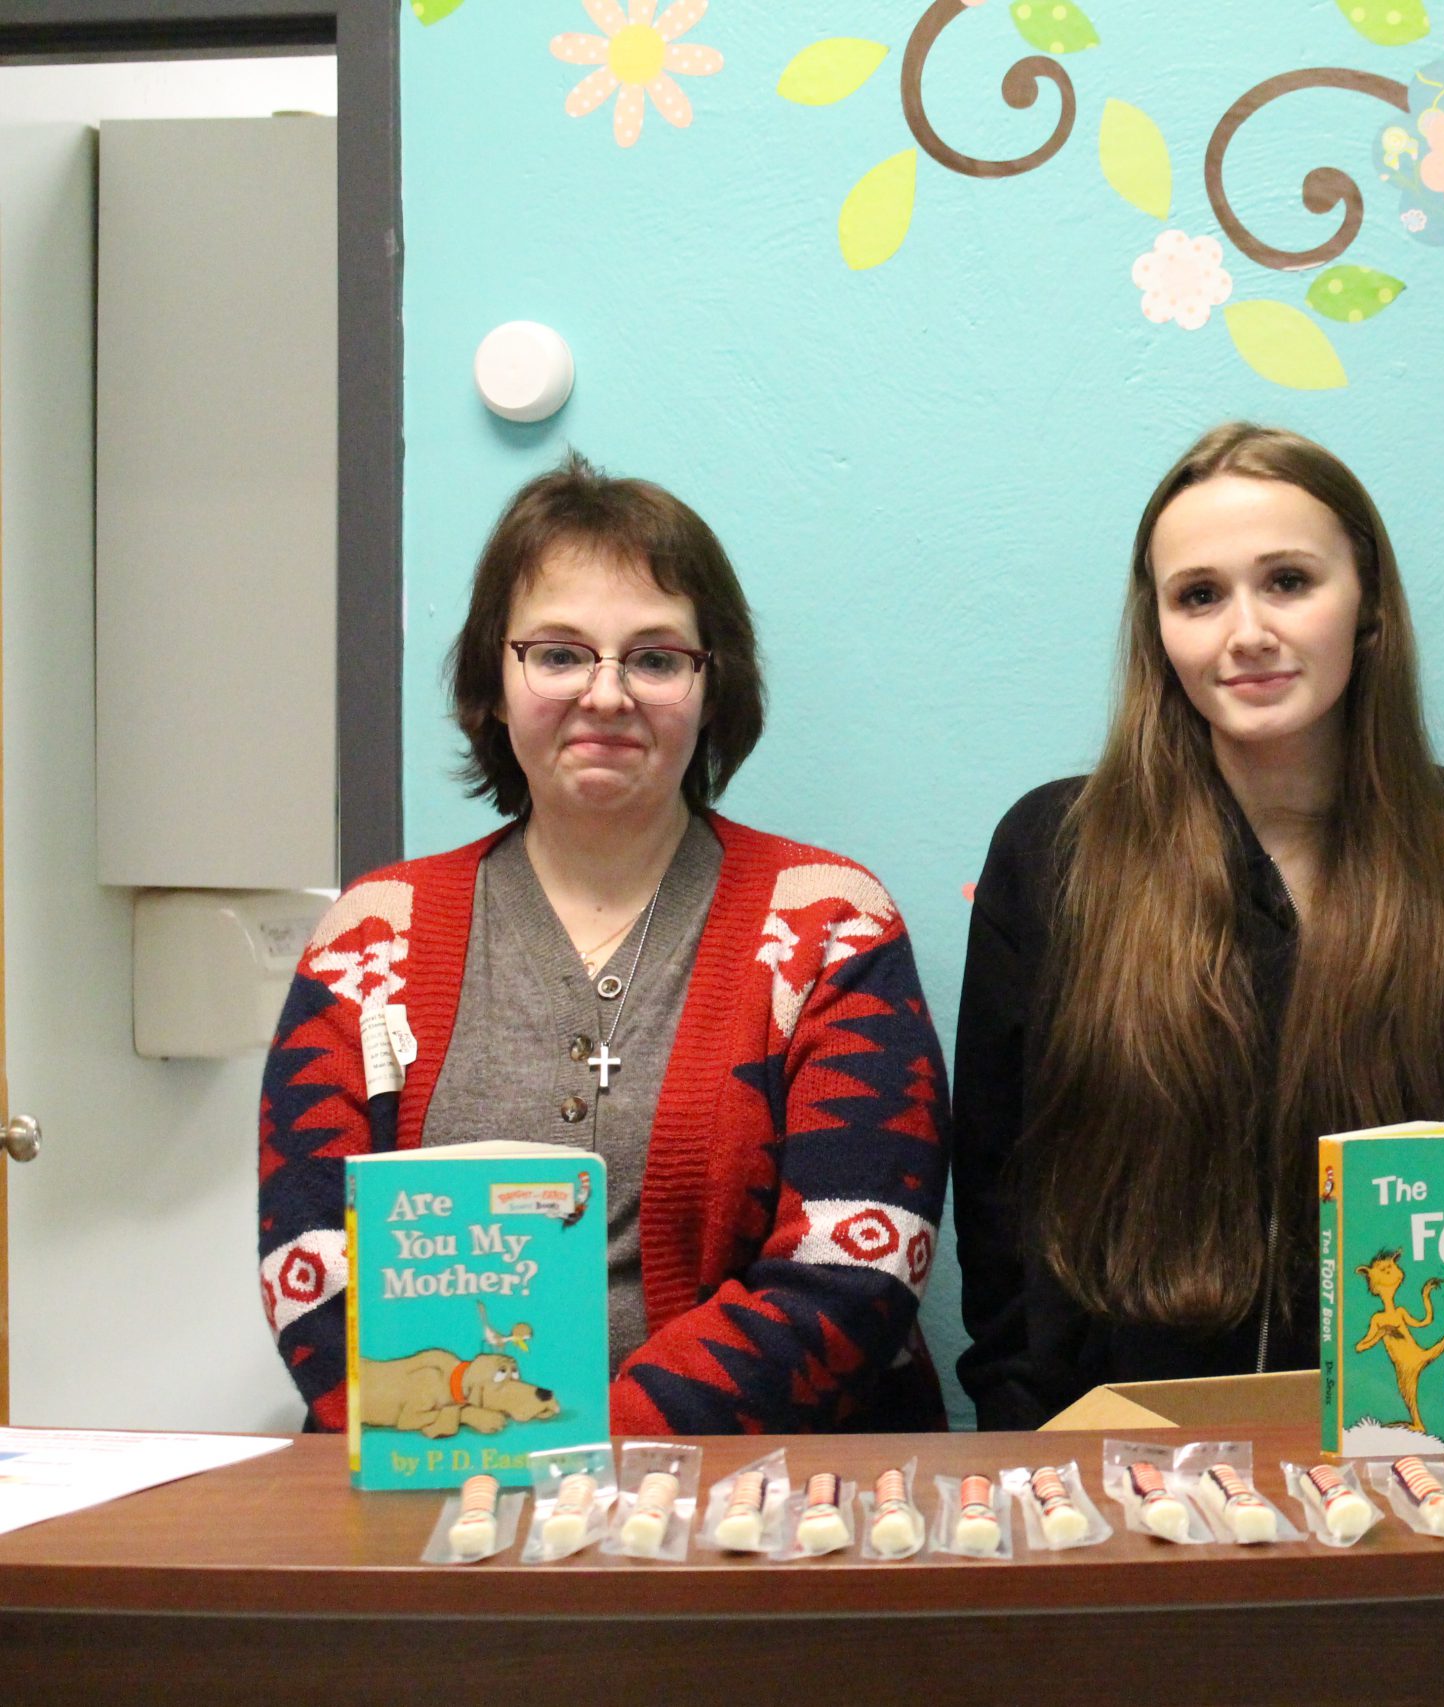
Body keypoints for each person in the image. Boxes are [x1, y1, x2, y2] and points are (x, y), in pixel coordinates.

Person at [258, 455, 948, 1433]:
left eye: (657, 658)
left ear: (713, 689)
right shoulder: (372, 936)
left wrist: (579, 1450)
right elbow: (309, 1263)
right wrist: (462, 1435)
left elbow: (857, 1272)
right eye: (559, 652)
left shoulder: (831, 921)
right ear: (494, 683)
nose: (608, 694)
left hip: (757, 1509)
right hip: (449, 1484)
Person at [952, 422, 1444, 1429]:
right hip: (1117, 1463)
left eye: (1288, 581)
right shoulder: (1059, 852)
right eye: (1199, 595)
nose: (1244, 631)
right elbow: (999, 1197)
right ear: (1157, 627)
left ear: (1367, 602)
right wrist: (1029, 1435)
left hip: (1423, 1462)